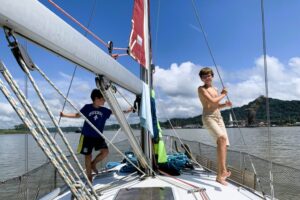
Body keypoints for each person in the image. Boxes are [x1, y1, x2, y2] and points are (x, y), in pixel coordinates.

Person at [60, 89, 132, 182]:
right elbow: (77, 115)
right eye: (103, 99)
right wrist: (64, 115)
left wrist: (128, 110)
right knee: (88, 156)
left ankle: (93, 164)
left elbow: (117, 112)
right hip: (87, 136)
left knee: (105, 152)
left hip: (98, 136)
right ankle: (89, 178)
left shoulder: (105, 110)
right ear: (96, 98)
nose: (104, 101)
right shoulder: (87, 108)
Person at [197, 67, 232, 186]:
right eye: (204, 76)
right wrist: (223, 94)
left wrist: (225, 105)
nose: (207, 77)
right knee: (221, 138)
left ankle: (219, 177)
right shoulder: (201, 89)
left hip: (219, 117)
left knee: (224, 144)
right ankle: (223, 171)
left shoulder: (215, 89)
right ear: (201, 78)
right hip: (209, 117)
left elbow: (216, 105)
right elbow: (211, 101)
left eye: (209, 75)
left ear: (212, 76)